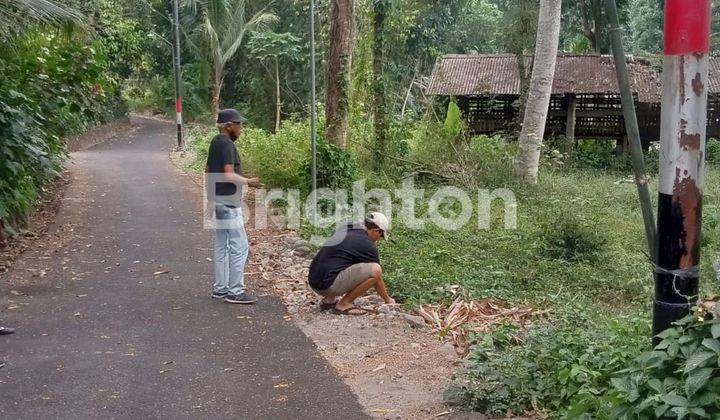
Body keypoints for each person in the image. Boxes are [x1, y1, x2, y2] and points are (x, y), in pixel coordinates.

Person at [205, 109, 261, 304]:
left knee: (222, 245)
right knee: (240, 245)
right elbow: (228, 175)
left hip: (218, 200)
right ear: (229, 126)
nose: (241, 128)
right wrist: (249, 181)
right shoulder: (227, 144)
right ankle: (236, 291)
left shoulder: (215, 142)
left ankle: (220, 289)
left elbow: (208, 171)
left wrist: (210, 200)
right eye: (239, 124)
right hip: (228, 202)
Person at [308, 212, 396, 315]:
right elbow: (377, 277)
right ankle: (344, 303)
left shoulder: (348, 227)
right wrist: (387, 299)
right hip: (326, 286)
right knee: (376, 270)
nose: (379, 239)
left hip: (314, 279)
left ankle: (329, 300)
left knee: (343, 258)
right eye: (380, 236)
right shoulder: (367, 245)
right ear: (376, 231)